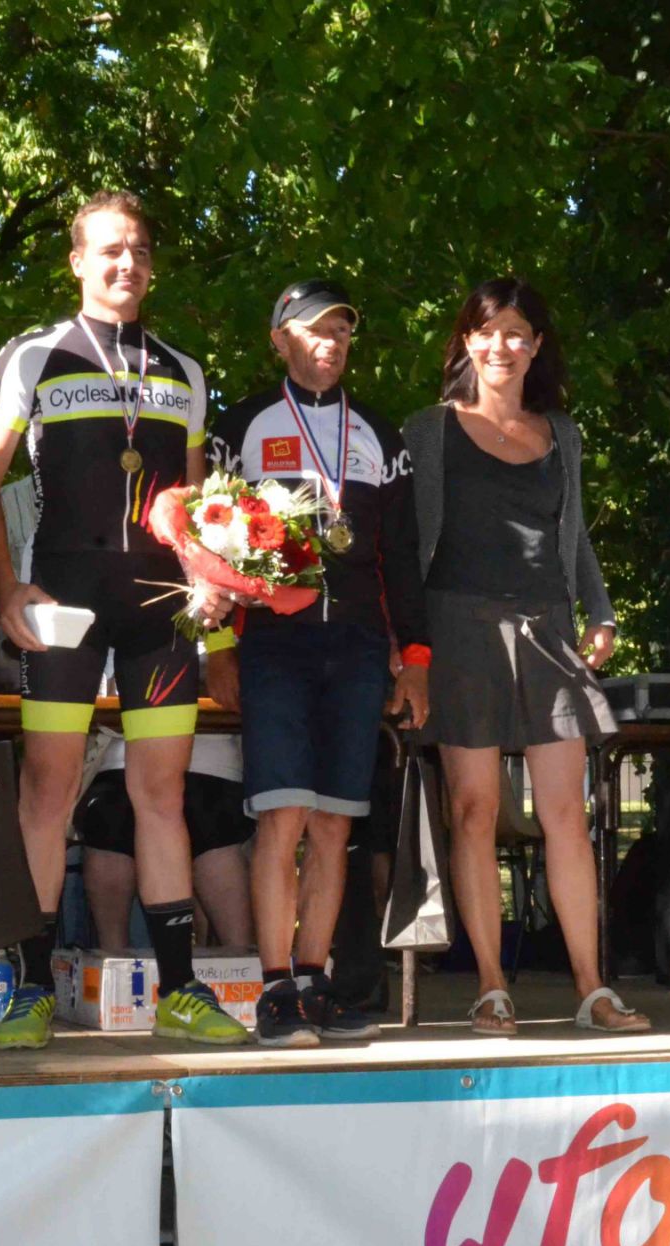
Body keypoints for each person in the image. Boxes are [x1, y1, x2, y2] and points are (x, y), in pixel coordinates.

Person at [0, 190, 248, 1049]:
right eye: (109, 250)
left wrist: (212, 590)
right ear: (78, 262)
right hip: (64, 607)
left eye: (139, 251)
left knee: (161, 795)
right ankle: (28, 989)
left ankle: (180, 988)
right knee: (48, 793)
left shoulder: (183, 370)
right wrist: (6, 591)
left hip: (158, 612)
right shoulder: (34, 354)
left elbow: (195, 504)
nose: (126, 264)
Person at [404, 277, 650, 1037]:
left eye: (517, 332)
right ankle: (490, 988)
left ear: (537, 345)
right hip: (457, 628)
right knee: (473, 810)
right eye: (487, 331)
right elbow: (405, 546)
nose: (502, 345)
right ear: (466, 342)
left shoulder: (562, 434)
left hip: (547, 627)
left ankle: (592, 989)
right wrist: (406, 649)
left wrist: (601, 611)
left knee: (567, 814)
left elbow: (573, 536)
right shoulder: (427, 431)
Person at [204, 278, 428, 1048]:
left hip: (358, 646)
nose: (328, 343)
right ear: (280, 340)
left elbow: (401, 554)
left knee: (335, 824)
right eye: (312, 330)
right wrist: (219, 646)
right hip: (274, 644)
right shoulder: (242, 425)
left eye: (339, 330)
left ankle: (313, 980)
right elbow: (208, 543)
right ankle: (274, 990)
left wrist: (416, 656)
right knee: (282, 817)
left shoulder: (380, 435)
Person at [74, 731, 253, 949]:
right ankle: (242, 958)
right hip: (213, 765)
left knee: (109, 828)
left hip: (123, 763)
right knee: (217, 840)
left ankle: (112, 954)